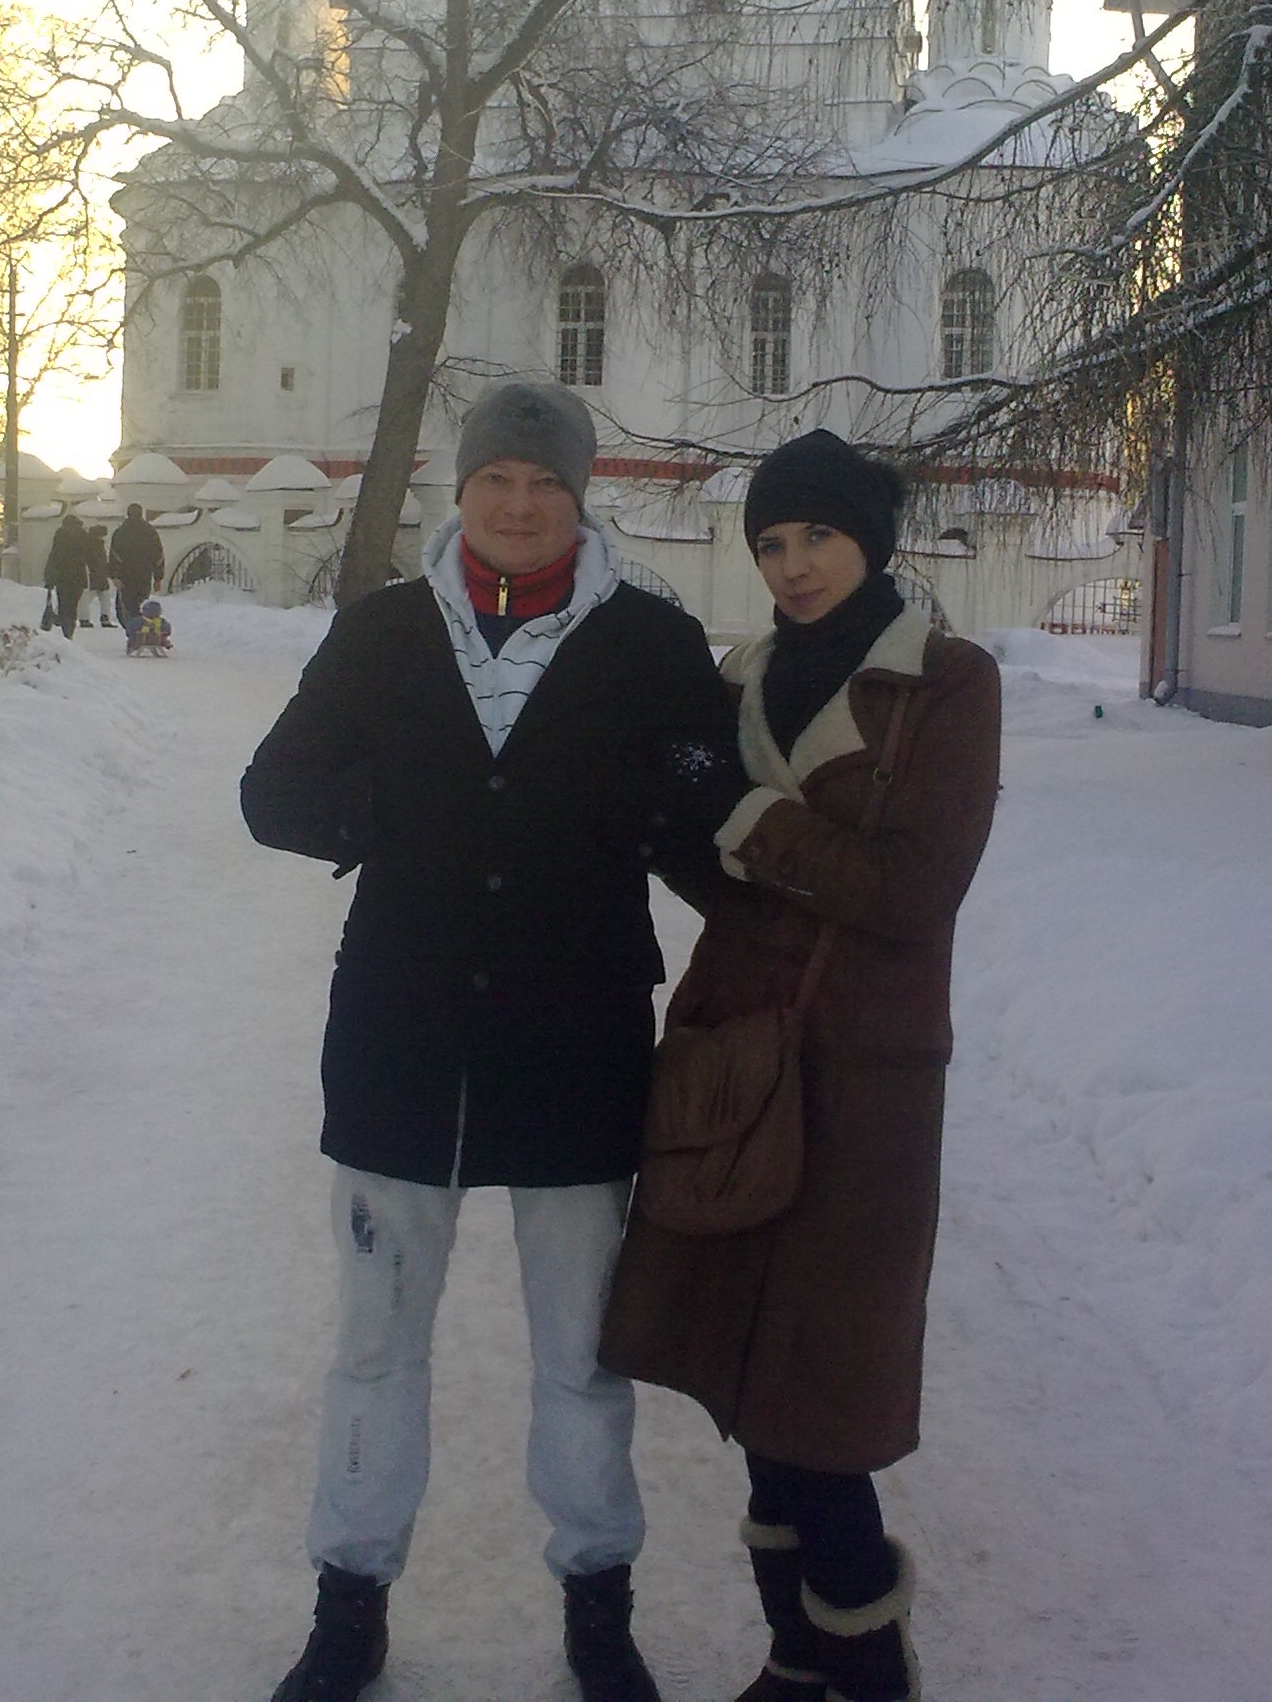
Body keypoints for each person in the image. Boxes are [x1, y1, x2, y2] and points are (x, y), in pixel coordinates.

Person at [240, 381, 745, 1702]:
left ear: (581, 496)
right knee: (375, 1348)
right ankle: (349, 1604)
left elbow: (714, 813)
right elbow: (272, 789)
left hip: (577, 1046)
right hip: (402, 1043)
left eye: (546, 482)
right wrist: (381, 808)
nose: (521, 505)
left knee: (583, 1356)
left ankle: (598, 1602)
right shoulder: (384, 634)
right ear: (460, 490)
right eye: (497, 480)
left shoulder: (650, 643)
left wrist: (673, 828)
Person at [600, 430, 1002, 1702]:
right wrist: (673, 821)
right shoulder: (746, 680)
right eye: (772, 542)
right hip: (736, 1061)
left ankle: (870, 1666)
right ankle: (795, 1655)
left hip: (862, 1081)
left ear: (869, 540)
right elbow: (731, 887)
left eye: (817, 534)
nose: (793, 563)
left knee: (816, 1399)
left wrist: (744, 814)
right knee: (746, 1379)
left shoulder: (945, 683)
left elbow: (915, 893)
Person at [108, 501, 164, 624]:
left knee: (126, 608)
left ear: (128, 514)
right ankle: (141, 629)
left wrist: (114, 576)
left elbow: (114, 555)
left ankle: (133, 630)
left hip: (126, 575)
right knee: (141, 605)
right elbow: (158, 556)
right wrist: (158, 578)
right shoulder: (150, 532)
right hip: (145, 574)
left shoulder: (120, 532)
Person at [42, 514, 93, 639]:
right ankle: (69, 631)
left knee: (64, 605)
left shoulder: (60, 536)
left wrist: (49, 576)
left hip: (62, 577)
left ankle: (66, 628)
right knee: (72, 606)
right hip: (78, 577)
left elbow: (54, 556)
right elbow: (90, 556)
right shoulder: (83, 536)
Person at [79, 524, 115, 628]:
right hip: (96, 575)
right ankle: (101, 618)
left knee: (91, 598)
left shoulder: (90, 544)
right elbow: (99, 561)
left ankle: (85, 618)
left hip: (96, 575)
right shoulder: (95, 545)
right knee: (99, 598)